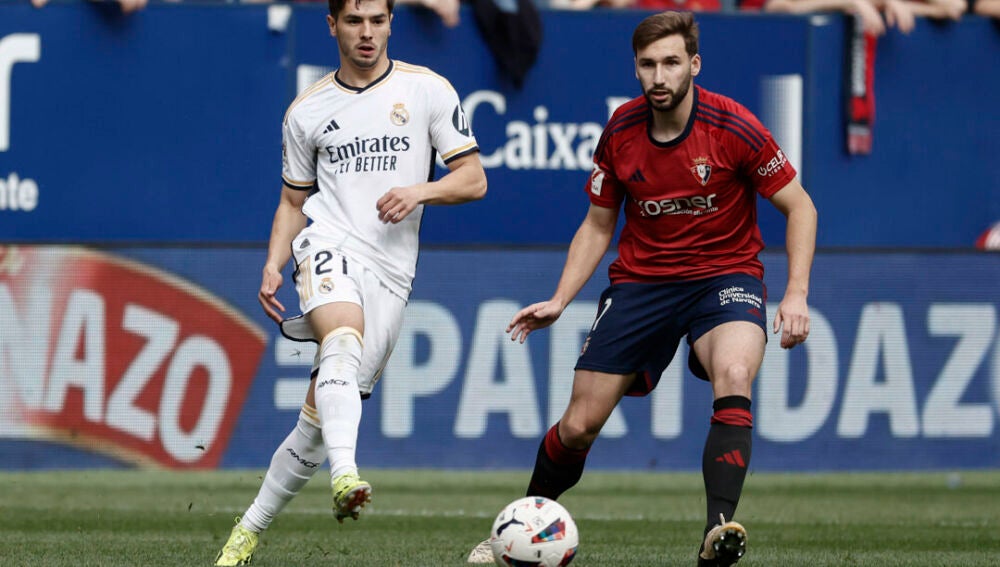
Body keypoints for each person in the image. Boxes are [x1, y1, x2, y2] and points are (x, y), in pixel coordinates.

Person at [467, 10, 816, 567]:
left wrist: (796, 293)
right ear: (635, 68)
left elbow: (800, 207)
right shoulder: (621, 131)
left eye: (671, 62)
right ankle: (516, 531)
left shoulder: (734, 126)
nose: (659, 75)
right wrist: (560, 299)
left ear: (694, 65)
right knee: (578, 426)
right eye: (648, 64)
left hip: (725, 278)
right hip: (643, 284)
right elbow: (598, 224)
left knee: (733, 373)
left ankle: (717, 532)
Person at [213, 0, 487, 564]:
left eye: (377, 21)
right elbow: (293, 202)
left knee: (314, 425)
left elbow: (473, 180)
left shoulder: (428, 90)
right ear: (332, 25)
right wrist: (273, 261)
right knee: (341, 339)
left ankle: (246, 532)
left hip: (392, 271)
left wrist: (419, 191)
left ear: (391, 23)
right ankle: (346, 476)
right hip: (327, 243)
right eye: (354, 21)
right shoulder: (307, 110)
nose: (367, 33)